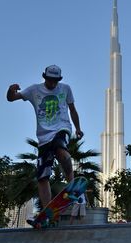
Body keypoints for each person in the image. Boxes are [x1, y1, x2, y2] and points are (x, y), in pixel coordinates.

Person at [7, 64, 84, 211]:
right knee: (42, 176)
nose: (53, 84)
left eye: (56, 81)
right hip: (43, 138)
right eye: (50, 80)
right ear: (45, 77)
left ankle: (72, 185)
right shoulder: (34, 90)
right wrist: (10, 91)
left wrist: (78, 128)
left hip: (62, 128)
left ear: (59, 80)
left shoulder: (65, 88)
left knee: (60, 149)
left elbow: (73, 110)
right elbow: (11, 98)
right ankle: (48, 211)